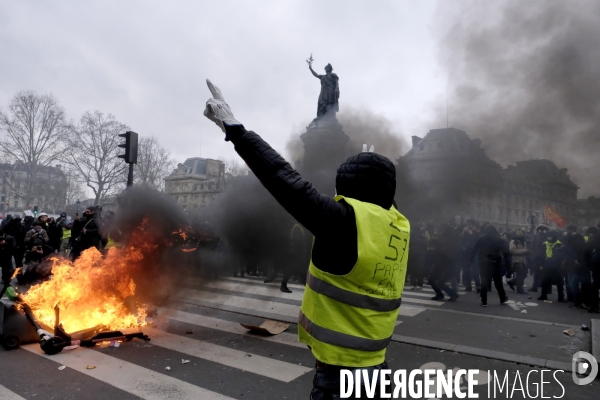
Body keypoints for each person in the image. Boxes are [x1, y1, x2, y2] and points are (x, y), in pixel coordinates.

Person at [204, 80, 408, 399]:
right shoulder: (398, 224)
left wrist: (235, 130)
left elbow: (286, 181)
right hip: (377, 366)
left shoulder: (345, 222)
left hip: (342, 375)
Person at [472, 224, 510, 307]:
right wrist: (507, 265)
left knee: (484, 282)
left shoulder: (482, 239)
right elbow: (506, 253)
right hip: (496, 263)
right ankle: (502, 297)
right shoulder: (499, 240)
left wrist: (473, 260)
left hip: (484, 263)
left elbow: (474, 249)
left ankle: (484, 300)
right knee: (498, 282)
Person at [563, 225, 589, 308]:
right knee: (571, 284)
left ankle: (577, 301)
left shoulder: (578, 240)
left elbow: (581, 252)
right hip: (571, 266)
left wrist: (576, 259)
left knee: (573, 284)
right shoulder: (570, 241)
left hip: (576, 267)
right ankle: (576, 300)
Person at [537, 230, 567, 302]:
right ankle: (543, 295)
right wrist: (540, 264)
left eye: (550, 236)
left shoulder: (559, 245)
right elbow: (541, 255)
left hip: (557, 266)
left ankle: (561, 297)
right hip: (546, 264)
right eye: (548, 236)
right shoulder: (544, 244)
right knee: (545, 281)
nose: (549, 238)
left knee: (559, 282)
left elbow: (561, 256)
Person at [529, 224, 551, 292]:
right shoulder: (536, 237)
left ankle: (547, 288)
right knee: (537, 272)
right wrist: (532, 254)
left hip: (544, 257)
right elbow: (532, 246)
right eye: (540, 229)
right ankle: (535, 286)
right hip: (537, 257)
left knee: (545, 273)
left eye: (543, 230)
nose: (541, 231)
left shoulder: (548, 237)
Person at [460, 219, 481, 292]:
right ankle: (468, 286)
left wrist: (471, 233)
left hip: (474, 254)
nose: (467, 226)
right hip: (466, 254)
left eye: (469, 224)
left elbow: (475, 242)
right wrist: (463, 232)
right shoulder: (465, 232)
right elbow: (461, 241)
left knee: (475, 272)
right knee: (466, 271)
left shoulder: (476, 232)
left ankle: (478, 286)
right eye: (466, 224)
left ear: (473, 225)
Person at [509, 229, 530, 294]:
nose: (519, 234)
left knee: (524, 274)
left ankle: (512, 282)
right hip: (516, 260)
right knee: (520, 275)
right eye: (518, 233)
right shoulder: (513, 241)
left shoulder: (523, 241)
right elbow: (512, 250)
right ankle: (519, 289)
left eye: (521, 233)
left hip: (523, 260)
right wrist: (523, 251)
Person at [585, 226, 600, 313]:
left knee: (595, 286)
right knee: (595, 286)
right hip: (596, 265)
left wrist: (589, 265)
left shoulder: (594, 240)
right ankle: (594, 305)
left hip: (596, 266)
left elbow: (587, 252)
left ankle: (594, 305)